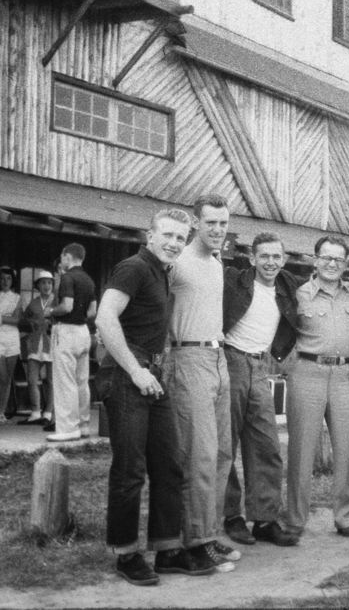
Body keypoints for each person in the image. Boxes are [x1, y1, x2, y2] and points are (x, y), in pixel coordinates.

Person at [96, 208, 217, 585]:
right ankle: (125, 554)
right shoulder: (133, 267)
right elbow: (104, 318)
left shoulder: (162, 271)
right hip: (128, 374)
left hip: (155, 375)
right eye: (166, 235)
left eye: (180, 238)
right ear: (149, 235)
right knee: (130, 470)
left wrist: (151, 371)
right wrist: (135, 370)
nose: (173, 243)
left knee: (168, 466)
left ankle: (167, 550)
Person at [163, 194, 240, 568]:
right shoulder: (176, 261)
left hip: (218, 357)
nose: (218, 230)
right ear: (196, 223)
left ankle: (211, 532)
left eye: (223, 223)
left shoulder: (217, 261)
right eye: (210, 223)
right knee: (200, 454)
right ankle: (195, 542)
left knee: (223, 452)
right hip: (187, 357)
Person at [222, 232, 299, 547]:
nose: (271, 262)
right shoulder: (234, 281)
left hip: (261, 366)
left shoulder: (287, 286)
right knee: (225, 441)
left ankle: (265, 520)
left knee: (266, 444)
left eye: (276, 257)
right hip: (230, 359)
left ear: (284, 259)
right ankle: (231, 516)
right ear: (252, 258)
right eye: (264, 256)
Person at [285, 235, 349, 538]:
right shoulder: (298, 293)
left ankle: (345, 518)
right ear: (315, 259)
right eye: (326, 257)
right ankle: (294, 520)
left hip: (344, 375)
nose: (332, 263)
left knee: (346, 448)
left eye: (338, 259)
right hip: (308, 371)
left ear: (345, 264)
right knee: (301, 449)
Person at [44, 243, 96, 442]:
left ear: (67, 256)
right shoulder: (89, 280)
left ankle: (67, 428)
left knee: (65, 381)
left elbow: (66, 306)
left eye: (62, 257)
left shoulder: (67, 277)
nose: (62, 261)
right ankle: (83, 426)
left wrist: (50, 311)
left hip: (65, 330)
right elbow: (92, 312)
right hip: (83, 331)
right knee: (82, 382)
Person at [19, 270, 55, 425]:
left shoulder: (58, 302)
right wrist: (30, 326)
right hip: (35, 345)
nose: (46, 286)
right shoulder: (33, 303)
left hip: (52, 344)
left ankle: (48, 413)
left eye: (49, 282)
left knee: (51, 380)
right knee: (32, 379)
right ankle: (35, 412)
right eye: (43, 283)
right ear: (38, 286)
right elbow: (24, 321)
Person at [0, 267, 22, 424]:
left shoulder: (17, 297)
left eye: (9, 279)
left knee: (6, 378)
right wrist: (6, 317)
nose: (5, 282)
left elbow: (17, 320)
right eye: (2, 278)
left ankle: (0, 413)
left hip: (12, 339)